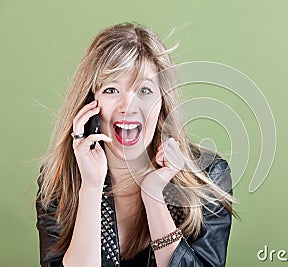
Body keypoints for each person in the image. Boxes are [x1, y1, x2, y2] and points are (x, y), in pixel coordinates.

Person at [35, 22, 235, 267]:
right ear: (90, 103)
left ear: (163, 101)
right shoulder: (58, 182)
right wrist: (91, 187)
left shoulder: (209, 175)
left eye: (144, 90)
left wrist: (154, 196)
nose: (127, 106)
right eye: (111, 90)